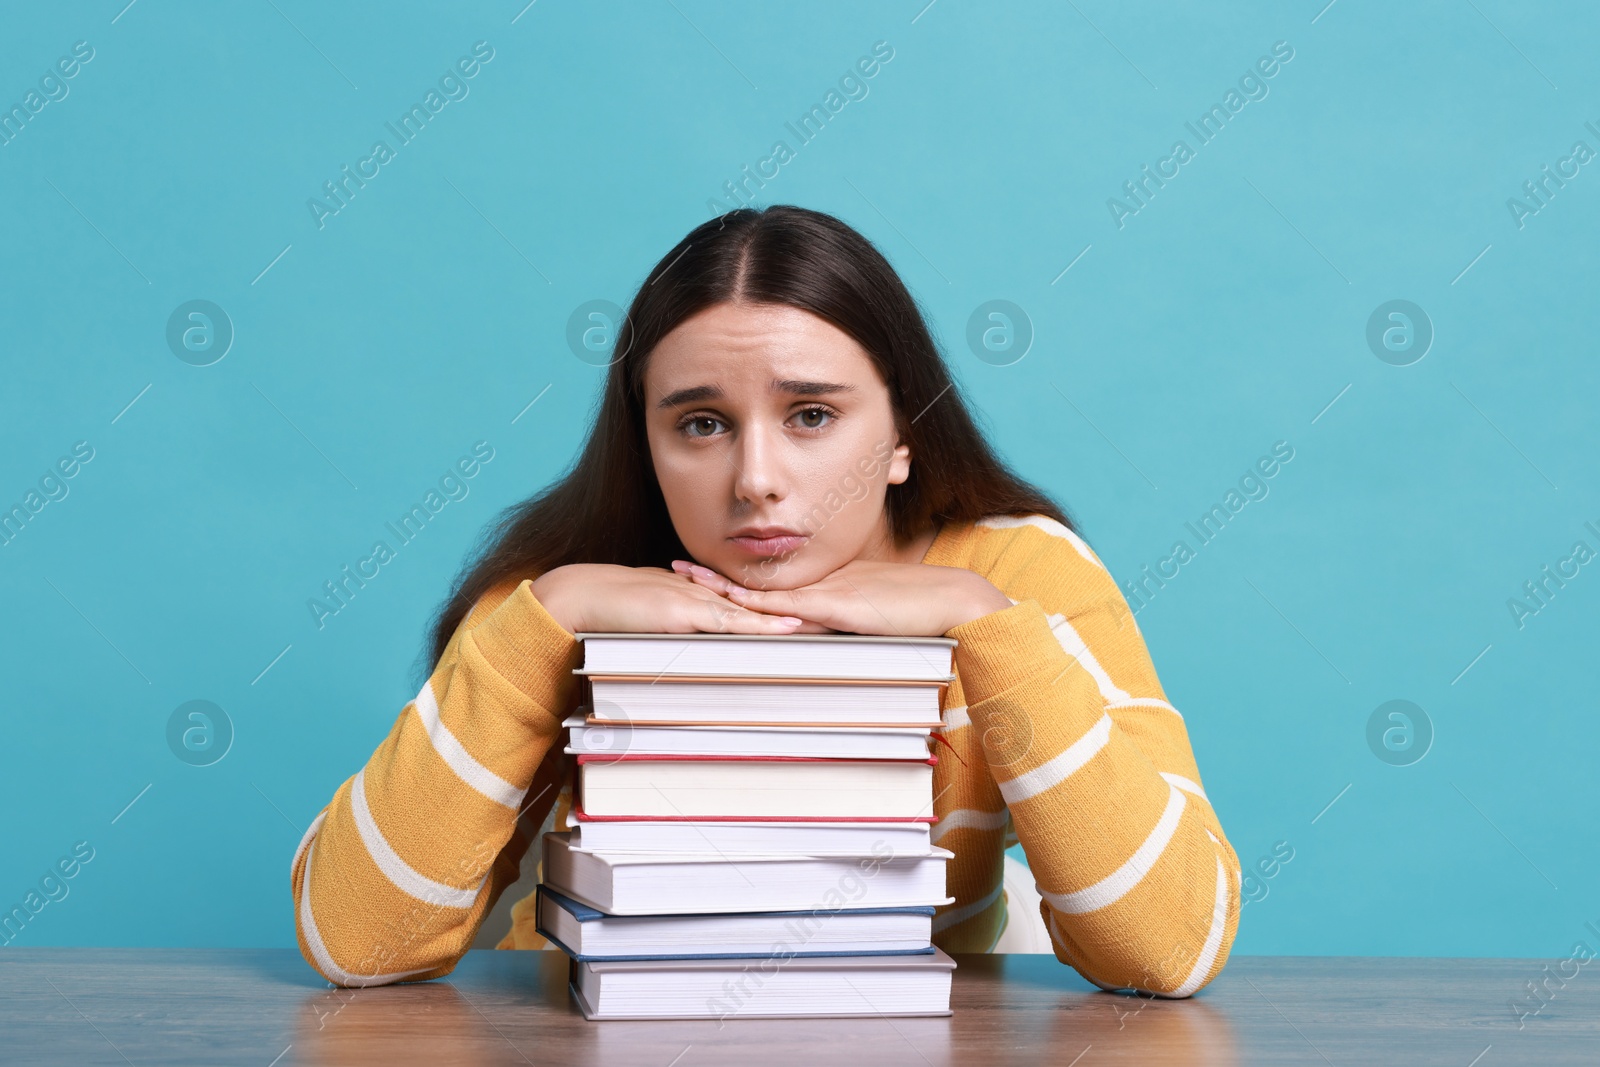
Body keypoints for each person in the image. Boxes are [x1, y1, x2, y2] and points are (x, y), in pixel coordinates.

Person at [290, 204, 1240, 997]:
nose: (756, 479)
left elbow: (1173, 947)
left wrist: (989, 628)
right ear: (645, 444)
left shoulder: (1014, 577)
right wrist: (541, 619)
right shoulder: (564, 597)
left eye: (812, 415)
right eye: (701, 423)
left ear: (903, 432)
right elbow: (352, 942)